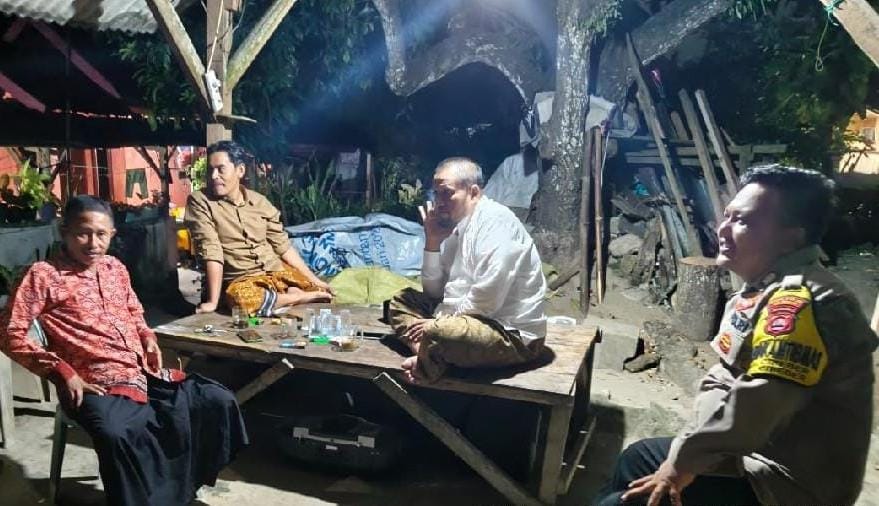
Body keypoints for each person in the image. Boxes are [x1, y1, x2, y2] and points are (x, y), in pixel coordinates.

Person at [594, 165, 878, 506]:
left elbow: (754, 408)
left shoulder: (800, 303)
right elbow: (724, 378)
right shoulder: (762, 288)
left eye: (743, 221)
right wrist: (687, 448)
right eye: (727, 216)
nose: (722, 229)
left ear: (791, 237)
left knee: (620, 502)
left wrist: (682, 464)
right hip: (757, 453)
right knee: (638, 458)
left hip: (787, 486)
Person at [0, 195, 248, 505]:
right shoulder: (42, 275)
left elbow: (134, 311)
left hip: (140, 373)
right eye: (83, 233)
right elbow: (8, 333)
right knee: (117, 432)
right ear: (64, 232)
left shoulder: (114, 268)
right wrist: (61, 371)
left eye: (101, 234)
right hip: (91, 384)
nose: (93, 243)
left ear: (112, 234)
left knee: (215, 400)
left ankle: (177, 493)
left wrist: (147, 337)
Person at [388, 157, 547, 383]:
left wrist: (437, 324)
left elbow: (486, 301)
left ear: (473, 192)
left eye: (447, 193)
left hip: (510, 335)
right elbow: (434, 292)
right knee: (401, 301)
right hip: (459, 318)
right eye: (436, 194)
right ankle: (430, 355)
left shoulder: (496, 223)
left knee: (439, 332)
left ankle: (428, 362)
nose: (439, 202)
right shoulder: (458, 226)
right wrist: (432, 241)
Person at [185, 141, 332, 316]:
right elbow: (211, 250)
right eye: (210, 170)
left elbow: (282, 246)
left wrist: (315, 280)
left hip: (276, 273)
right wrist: (212, 302)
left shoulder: (260, 202)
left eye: (221, 169)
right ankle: (295, 297)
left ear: (240, 170)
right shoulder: (200, 201)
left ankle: (288, 294)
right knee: (240, 300)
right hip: (242, 282)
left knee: (320, 289)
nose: (214, 176)